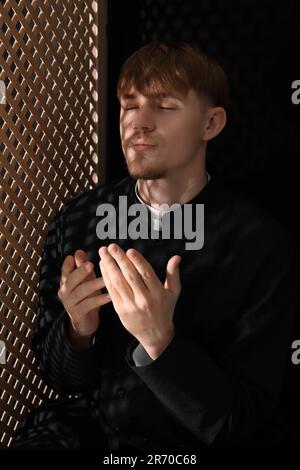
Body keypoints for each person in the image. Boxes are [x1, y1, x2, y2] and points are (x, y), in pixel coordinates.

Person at [11, 40, 298, 452]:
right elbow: (61, 379)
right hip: (90, 433)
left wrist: (161, 342)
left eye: (164, 107)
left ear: (210, 124)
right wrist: (78, 330)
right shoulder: (79, 220)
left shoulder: (262, 246)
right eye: (129, 105)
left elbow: (240, 420)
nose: (138, 123)